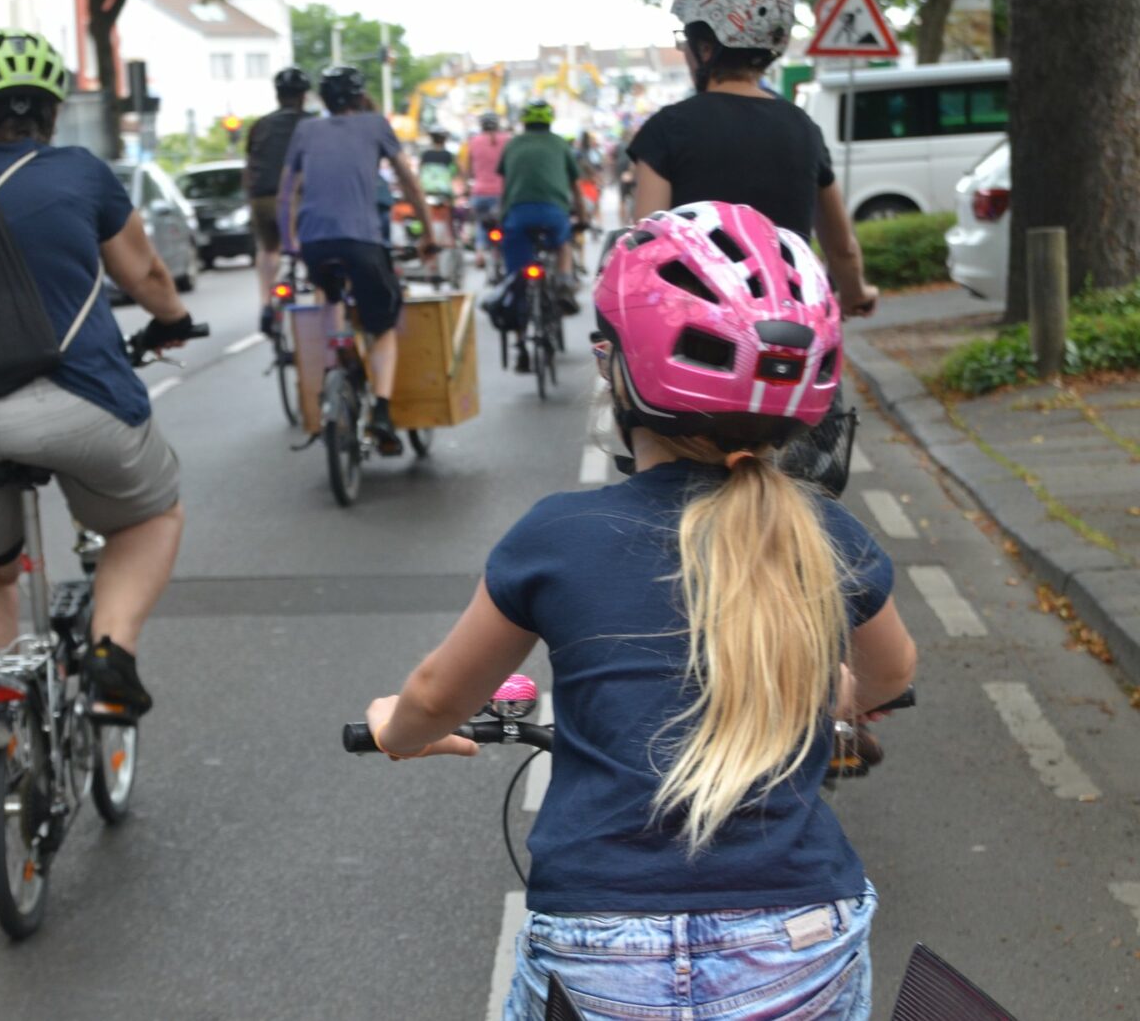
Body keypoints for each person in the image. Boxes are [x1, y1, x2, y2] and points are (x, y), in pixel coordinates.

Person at [362, 203, 917, 1021]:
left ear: (618, 371)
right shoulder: (822, 531)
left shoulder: (556, 536)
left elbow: (441, 693)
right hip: (799, 938)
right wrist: (826, 690)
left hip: (602, 946)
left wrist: (395, 730)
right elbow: (891, 671)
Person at [0, 29, 196, 745]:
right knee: (149, 518)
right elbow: (146, 277)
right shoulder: (82, 172)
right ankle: (110, 651)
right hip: (78, 403)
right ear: (53, 110)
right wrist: (175, 320)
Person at [630, 0, 878, 316]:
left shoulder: (666, 129)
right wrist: (856, 293)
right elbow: (842, 249)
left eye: (686, 41)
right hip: (792, 333)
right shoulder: (803, 128)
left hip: (700, 337)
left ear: (704, 49)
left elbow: (647, 249)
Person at [281, 65, 433, 456]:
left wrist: (289, 243)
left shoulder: (306, 130)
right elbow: (408, 181)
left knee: (329, 295)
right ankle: (381, 411)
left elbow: (286, 194)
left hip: (315, 244)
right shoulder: (375, 124)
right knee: (382, 323)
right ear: (359, 95)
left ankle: (335, 361)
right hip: (362, 241)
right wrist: (429, 232)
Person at [497, 99, 587, 372]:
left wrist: (503, 217)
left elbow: (506, 185)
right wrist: (582, 218)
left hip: (517, 216)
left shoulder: (512, 145)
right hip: (553, 214)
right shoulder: (560, 144)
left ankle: (521, 344)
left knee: (517, 281)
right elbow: (576, 188)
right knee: (563, 245)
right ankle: (561, 283)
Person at [244, 67, 313, 336]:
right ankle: (320, 294)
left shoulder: (260, 125)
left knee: (268, 249)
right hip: (296, 198)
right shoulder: (312, 124)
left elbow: (250, 165)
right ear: (303, 96)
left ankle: (265, 302)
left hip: (262, 197)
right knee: (312, 247)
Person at [459, 111, 508, 269]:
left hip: (479, 192)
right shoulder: (507, 140)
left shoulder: (473, 142)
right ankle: (500, 254)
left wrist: (467, 187)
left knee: (481, 223)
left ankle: (479, 252)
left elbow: (467, 170)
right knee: (504, 225)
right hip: (502, 194)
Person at [417, 127, 458, 200]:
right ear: (444, 140)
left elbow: (419, 172)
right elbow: (457, 173)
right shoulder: (449, 155)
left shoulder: (426, 154)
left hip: (426, 191)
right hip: (444, 192)